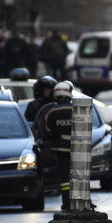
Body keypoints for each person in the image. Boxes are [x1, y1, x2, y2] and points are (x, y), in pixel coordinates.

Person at [43, 81, 74, 210]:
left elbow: (47, 130)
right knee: (79, 175)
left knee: (65, 176)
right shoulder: (75, 109)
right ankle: (83, 201)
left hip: (60, 148)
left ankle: (66, 202)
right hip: (77, 148)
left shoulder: (51, 111)